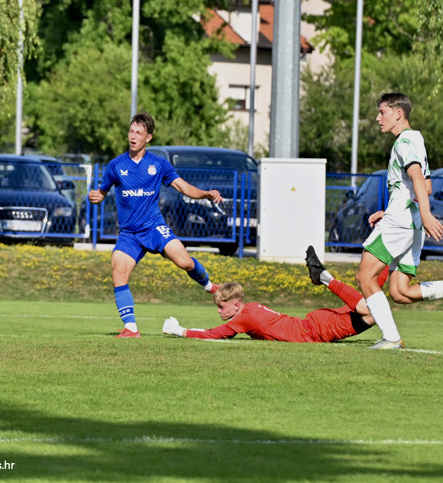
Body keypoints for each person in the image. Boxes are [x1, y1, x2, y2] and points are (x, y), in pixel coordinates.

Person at [353, 93, 443, 350]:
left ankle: (391, 338)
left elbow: (417, 179)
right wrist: (395, 210)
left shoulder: (404, 142)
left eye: (382, 112)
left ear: (398, 114)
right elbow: (426, 187)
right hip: (410, 221)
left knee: (364, 277)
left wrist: (425, 215)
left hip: (401, 222)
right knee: (400, 291)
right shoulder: (416, 139)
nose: (378, 118)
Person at [87, 112, 222, 339]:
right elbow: (101, 192)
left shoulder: (158, 164)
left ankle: (209, 286)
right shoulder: (116, 165)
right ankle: (131, 328)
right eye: (131, 131)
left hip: (154, 227)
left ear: (148, 137)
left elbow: (183, 187)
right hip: (129, 234)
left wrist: (206, 194)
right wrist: (97, 196)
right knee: (118, 271)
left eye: (138, 133)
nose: (133, 136)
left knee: (185, 262)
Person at [162, 246, 381, 342]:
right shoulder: (249, 308)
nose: (219, 311)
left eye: (221, 307)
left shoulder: (243, 318)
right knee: (372, 305)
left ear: (236, 305)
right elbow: (217, 327)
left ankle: (326, 278)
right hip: (314, 323)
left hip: (317, 330)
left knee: (372, 310)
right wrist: (213, 288)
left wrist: (179, 331)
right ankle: (385, 262)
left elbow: (212, 335)